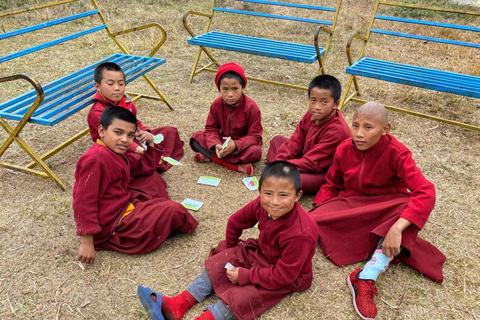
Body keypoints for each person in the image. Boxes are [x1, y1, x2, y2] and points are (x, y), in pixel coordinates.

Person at [308, 102, 446, 319]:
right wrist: (318, 208)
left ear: (386, 129)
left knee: (406, 204)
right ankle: (379, 241)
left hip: (385, 207)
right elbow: (332, 183)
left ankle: (367, 275)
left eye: (368, 127)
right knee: (308, 221)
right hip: (351, 205)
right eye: (355, 126)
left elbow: (426, 191)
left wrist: (398, 228)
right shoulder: (344, 148)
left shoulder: (397, 153)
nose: (359, 134)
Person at [137, 161, 319, 320]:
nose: (274, 202)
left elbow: (283, 276)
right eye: (268, 193)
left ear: (298, 196)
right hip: (260, 253)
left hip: (286, 276)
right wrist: (230, 253)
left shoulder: (301, 233)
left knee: (244, 297)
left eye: (283, 195)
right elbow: (235, 221)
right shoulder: (261, 204)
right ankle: (178, 303)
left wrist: (245, 275)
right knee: (220, 262)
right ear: (260, 191)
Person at [73, 107, 198, 264]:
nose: (125, 140)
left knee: (151, 178)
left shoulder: (113, 151)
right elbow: (83, 202)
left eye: (130, 135)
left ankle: (155, 211)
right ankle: (157, 213)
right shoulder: (95, 160)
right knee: (174, 210)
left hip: (121, 201)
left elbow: (144, 168)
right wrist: (87, 242)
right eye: (118, 132)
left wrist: (151, 143)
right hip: (114, 222)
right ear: (101, 131)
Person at [88, 61, 184, 172]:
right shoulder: (98, 112)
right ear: (97, 86)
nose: (117, 88)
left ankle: (155, 160)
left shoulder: (125, 101)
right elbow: (117, 141)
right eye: (110, 84)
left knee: (170, 131)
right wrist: (144, 151)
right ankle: (154, 161)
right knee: (137, 161)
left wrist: (145, 133)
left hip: (135, 139)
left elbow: (136, 123)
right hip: (118, 148)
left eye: (121, 83)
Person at [266, 74, 350, 193]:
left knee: (290, 180)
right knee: (277, 140)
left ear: (336, 104)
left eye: (324, 102)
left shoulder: (338, 130)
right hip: (303, 157)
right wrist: (280, 161)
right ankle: (278, 171)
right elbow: (295, 141)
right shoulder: (311, 114)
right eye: (313, 100)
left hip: (320, 171)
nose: (317, 107)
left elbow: (313, 163)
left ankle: (277, 173)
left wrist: (281, 165)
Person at [190, 62, 262, 176]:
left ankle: (210, 157)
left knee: (255, 151)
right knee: (196, 137)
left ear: (243, 88)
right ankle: (235, 165)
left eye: (235, 89)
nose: (230, 94)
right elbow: (211, 129)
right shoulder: (216, 104)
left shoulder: (252, 108)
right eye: (225, 89)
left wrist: (236, 145)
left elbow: (255, 137)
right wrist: (216, 144)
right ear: (218, 89)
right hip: (221, 143)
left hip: (240, 147)